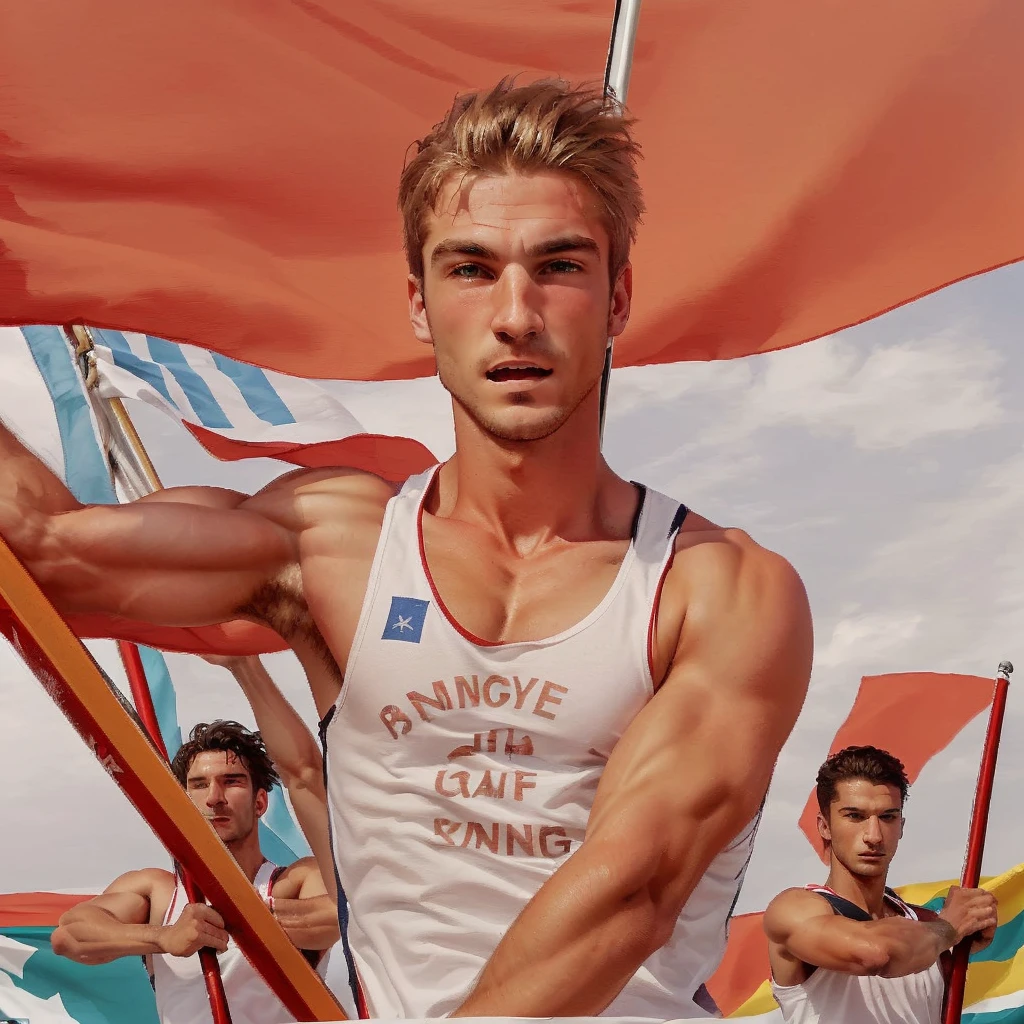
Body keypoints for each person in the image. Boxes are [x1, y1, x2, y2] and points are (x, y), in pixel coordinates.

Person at [3, 77, 813, 1019]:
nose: (517, 314)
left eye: (559, 265)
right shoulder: (334, 546)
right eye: (471, 269)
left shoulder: (722, 590)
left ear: (618, 295)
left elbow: (631, 893)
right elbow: (45, 554)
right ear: (422, 306)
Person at [50, 720, 339, 1024]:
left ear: (260, 802)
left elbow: (339, 917)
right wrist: (164, 936)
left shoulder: (293, 880)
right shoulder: (157, 891)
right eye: (199, 785)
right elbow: (69, 935)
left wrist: (226, 916)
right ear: (184, 802)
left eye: (232, 781)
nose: (214, 797)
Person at [763, 745, 998, 1023]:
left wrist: (964, 937)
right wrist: (950, 929)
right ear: (824, 826)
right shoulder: (794, 908)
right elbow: (874, 954)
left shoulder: (925, 925)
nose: (874, 836)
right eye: (855, 816)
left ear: (901, 825)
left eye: (887, 817)